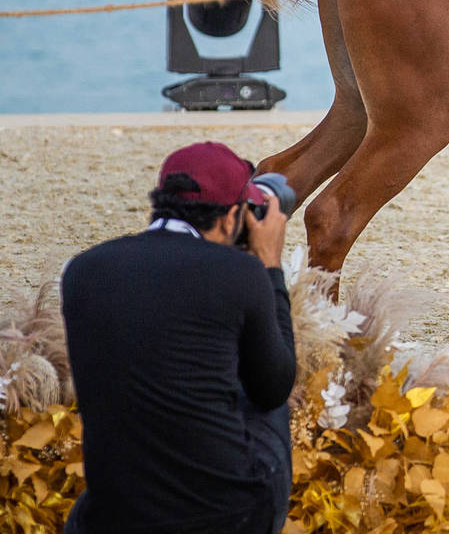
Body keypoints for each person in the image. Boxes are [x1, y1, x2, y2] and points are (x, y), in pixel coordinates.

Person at [62, 142, 295, 534]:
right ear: (230, 219)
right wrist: (270, 267)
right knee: (258, 382)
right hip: (231, 515)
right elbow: (275, 387)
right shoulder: (240, 274)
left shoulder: (83, 271)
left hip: (112, 517)